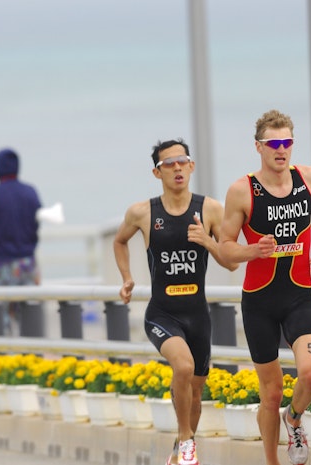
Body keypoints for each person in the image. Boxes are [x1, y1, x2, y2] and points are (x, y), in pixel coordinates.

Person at [218, 109, 311, 465]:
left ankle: (295, 418)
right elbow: (225, 247)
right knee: (271, 394)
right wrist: (252, 250)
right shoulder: (242, 191)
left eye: (287, 142)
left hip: (299, 295)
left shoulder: (309, 178)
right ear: (258, 147)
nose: (281, 149)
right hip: (259, 302)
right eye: (273, 143)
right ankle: (272, 461)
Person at [113, 139, 238, 465]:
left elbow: (231, 262)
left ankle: (179, 451)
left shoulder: (210, 209)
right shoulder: (142, 212)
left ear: (191, 166)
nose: (177, 167)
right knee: (182, 367)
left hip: (198, 315)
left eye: (182, 161)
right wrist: (126, 277)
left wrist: (207, 241)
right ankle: (186, 440)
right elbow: (119, 241)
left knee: (194, 392)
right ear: (158, 172)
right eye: (169, 163)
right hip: (162, 313)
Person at [0, 147, 42, 335]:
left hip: (1, 263)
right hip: (28, 264)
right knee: (29, 317)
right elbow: (36, 224)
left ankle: (3, 351)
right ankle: (31, 350)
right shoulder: (31, 193)